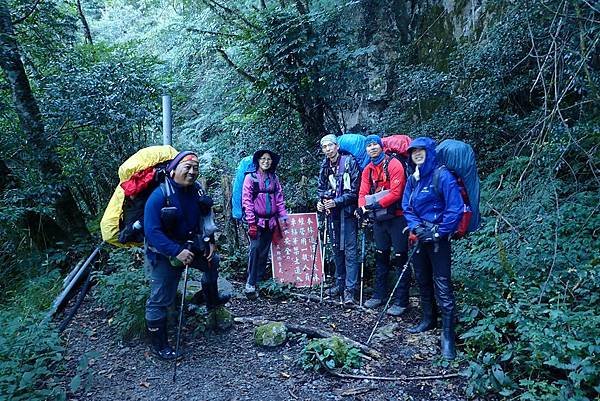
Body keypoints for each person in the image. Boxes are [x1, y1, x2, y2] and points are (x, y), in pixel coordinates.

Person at [143, 150, 222, 360]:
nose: (192, 171)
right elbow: (152, 232)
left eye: (195, 167)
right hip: (164, 252)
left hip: (191, 244)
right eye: (187, 167)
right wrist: (176, 251)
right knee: (160, 299)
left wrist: (209, 241)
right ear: (173, 170)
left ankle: (211, 299)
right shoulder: (159, 195)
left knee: (212, 262)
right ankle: (159, 345)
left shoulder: (195, 191)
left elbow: (205, 218)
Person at [402, 137, 463, 360]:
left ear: (429, 152)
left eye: (421, 151)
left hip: (438, 240)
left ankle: (448, 337)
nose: (417, 155)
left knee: (442, 283)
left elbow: (454, 208)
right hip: (418, 237)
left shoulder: (442, 175)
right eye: (413, 152)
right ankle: (428, 319)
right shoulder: (413, 179)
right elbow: (406, 205)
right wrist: (417, 228)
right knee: (422, 278)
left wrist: (437, 232)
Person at [355, 134, 411, 316]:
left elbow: (396, 192)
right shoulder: (368, 170)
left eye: (374, 144)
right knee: (381, 256)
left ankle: (402, 300)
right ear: (366, 149)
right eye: (369, 145)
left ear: (381, 146)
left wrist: (372, 206)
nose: (372, 147)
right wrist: (361, 208)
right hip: (379, 219)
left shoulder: (394, 164)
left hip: (397, 217)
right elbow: (362, 192)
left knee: (400, 257)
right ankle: (379, 295)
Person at [316, 134, 361, 305]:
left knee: (350, 251)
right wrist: (321, 202)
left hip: (348, 213)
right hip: (332, 214)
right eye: (324, 147)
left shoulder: (349, 162)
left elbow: (355, 191)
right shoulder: (325, 165)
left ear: (336, 145)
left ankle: (350, 290)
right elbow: (321, 188)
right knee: (336, 249)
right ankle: (339, 283)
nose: (327, 149)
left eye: (330, 146)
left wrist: (336, 202)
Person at [242, 149, 288, 297]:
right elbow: (247, 200)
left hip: (271, 221)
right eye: (263, 159)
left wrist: (283, 217)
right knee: (255, 250)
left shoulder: (274, 178)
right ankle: (251, 282)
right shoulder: (251, 178)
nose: (266, 161)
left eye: (268, 159)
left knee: (264, 251)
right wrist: (251, 221)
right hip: (256, 220)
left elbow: (279, 198)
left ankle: (259, 280)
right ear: (258, 160)